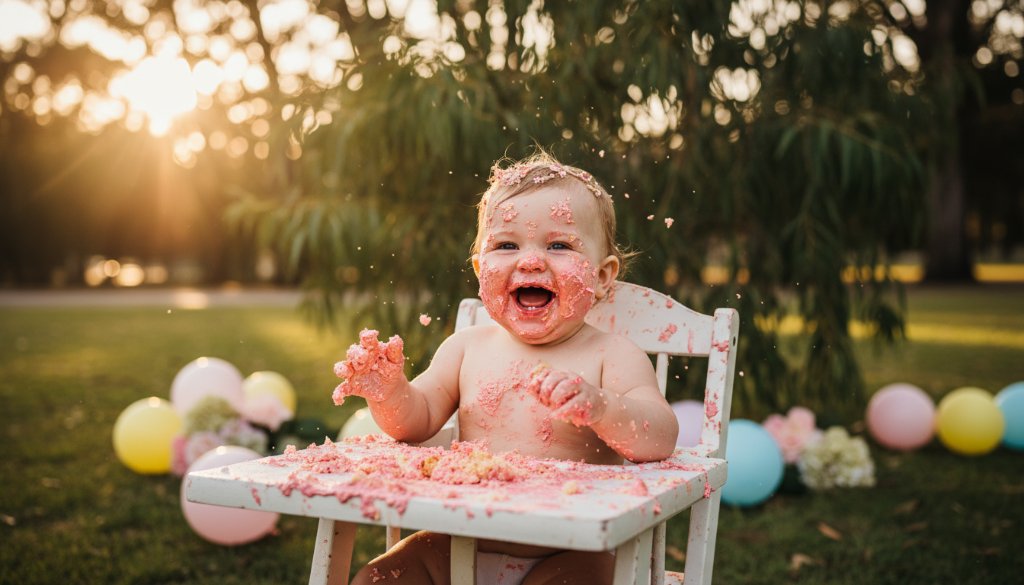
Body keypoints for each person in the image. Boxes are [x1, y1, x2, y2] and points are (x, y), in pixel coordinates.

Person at [333, 151, 680, 585]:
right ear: (480, 270)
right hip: (460, 540)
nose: (530, 261)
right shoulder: (465, 348)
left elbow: (661, 435)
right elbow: (414, 422)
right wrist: (388, 392)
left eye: (559, 245)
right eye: (506, 245)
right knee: (378, 578)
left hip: (571, 547)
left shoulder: (612, 355)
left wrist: (602, 408)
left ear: (603, 276)